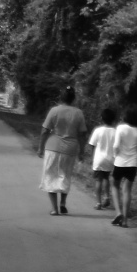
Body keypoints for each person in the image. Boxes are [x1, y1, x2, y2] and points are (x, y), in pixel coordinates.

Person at [37, 84, 87, 216]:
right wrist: (82, 151)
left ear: (61, 97)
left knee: (50, 176)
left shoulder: (54, 111)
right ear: (73, 98)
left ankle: (55, 209)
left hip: (53, 147)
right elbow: (82, 134)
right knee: (65, 175)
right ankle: (63, 203)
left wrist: (40, 147)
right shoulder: (78, 113)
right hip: (70, 149)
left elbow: (45, 130)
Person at [110, 108, 137, 228]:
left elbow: (115, 146)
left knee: (115, 185)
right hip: (132, 164)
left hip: (120, 162)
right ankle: (125, 220)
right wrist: (136, 158)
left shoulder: (120, 128)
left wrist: (115, 156)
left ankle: (118, 212)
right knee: (127, 190)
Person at [87, 107, 118, 210]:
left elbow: (92, 144)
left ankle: (98, 202)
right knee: (106, 178)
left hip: (99, 158)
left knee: (98, 180)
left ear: (102, 118)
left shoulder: (98, 130)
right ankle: (107, 197)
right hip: (110, 159)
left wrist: (93, 156)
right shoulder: (115, 131)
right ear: (113, 119)